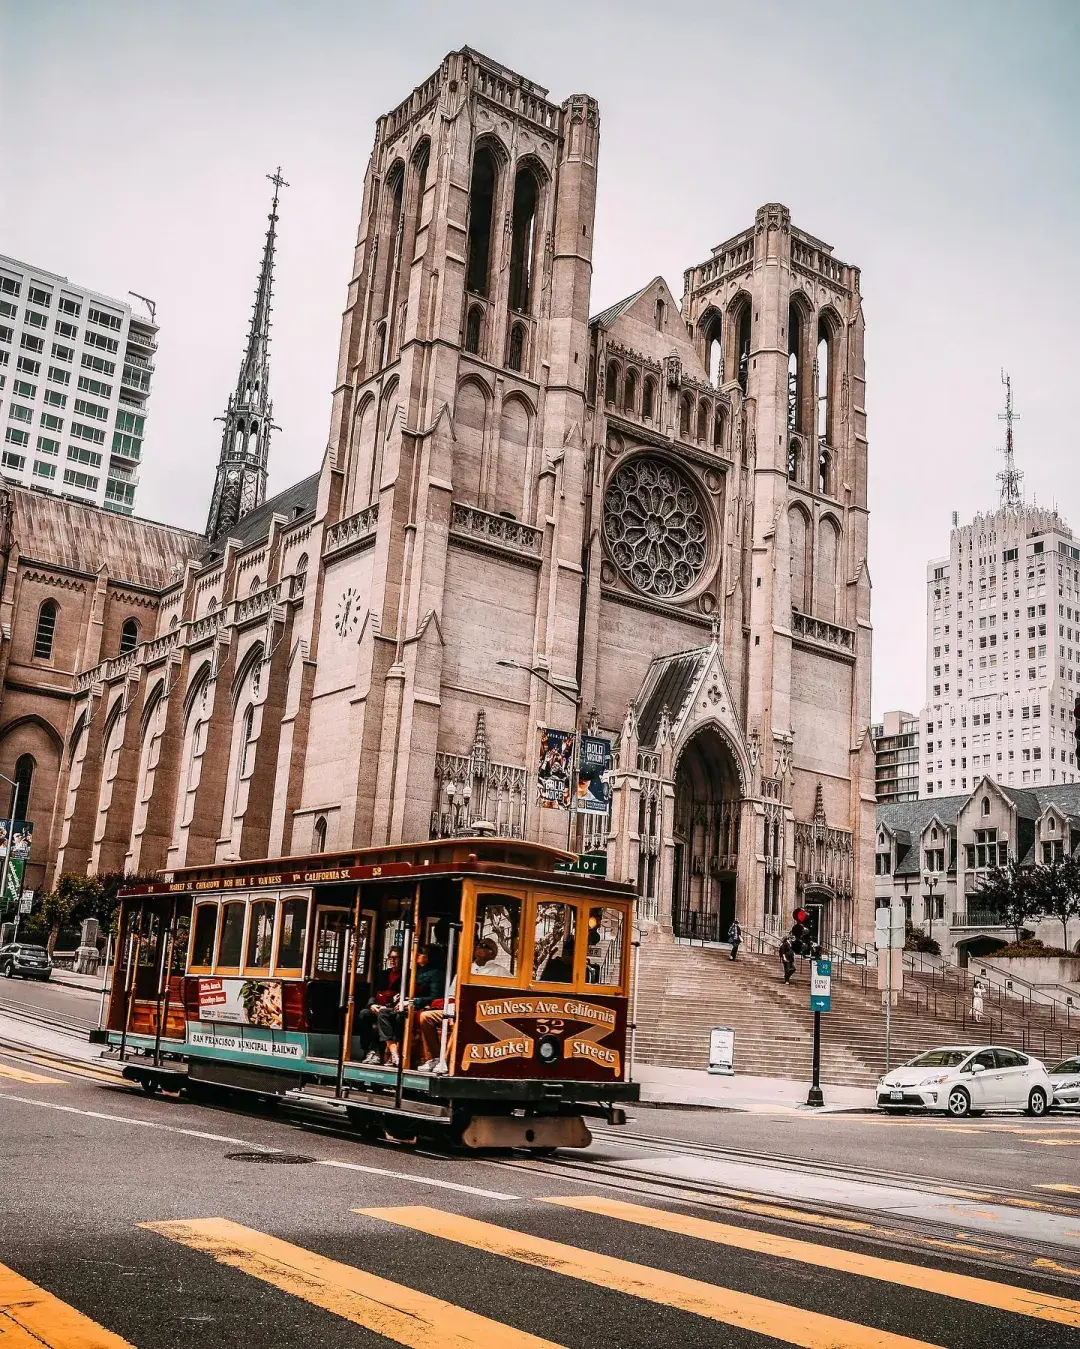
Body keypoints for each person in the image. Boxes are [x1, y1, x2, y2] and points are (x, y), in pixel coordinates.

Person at [376, 944, 444, 1067]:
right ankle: (394, 1053)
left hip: (421, 1007)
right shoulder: (416, 972)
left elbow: (435, 998)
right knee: (383, 1013)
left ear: (430, 957)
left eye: (421, 953)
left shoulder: (436, 974)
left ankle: (403, 1053)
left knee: (400, 1017)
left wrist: (412, 1002)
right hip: (407, 1004)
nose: (417, 955)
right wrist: (400, 997)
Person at [357, 946, 402, 1063]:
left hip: (392, 1010)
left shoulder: (407, 975)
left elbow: (401, 996)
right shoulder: (383, 974)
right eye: (390, 958)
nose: (392, 960)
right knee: (364, 1014)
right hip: (378, 1007)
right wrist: (372, 1004)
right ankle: (371, 1050)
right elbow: (374, 992)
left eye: (396, 958)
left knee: (387, 1016)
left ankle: (387, 1052)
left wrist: (386, 1006)